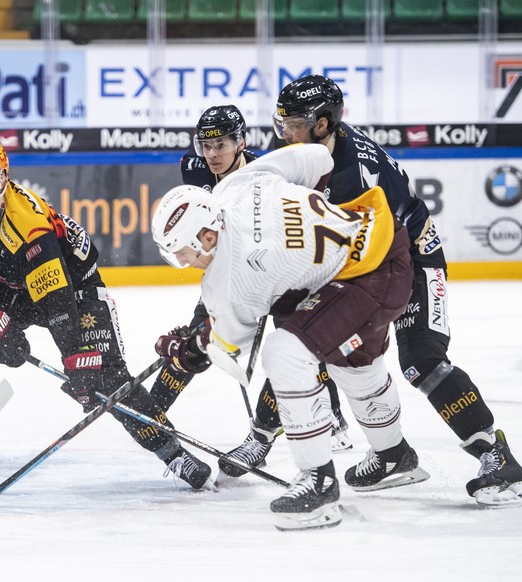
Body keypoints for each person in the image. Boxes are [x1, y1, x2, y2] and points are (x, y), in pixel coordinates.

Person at [269, 74, 522, 507]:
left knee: (422, 360)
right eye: (282, 123)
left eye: (293, 124)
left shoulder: (354, 178)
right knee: (353, 356)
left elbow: (355, 253)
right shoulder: (313, 150)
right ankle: (394, 458)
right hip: (372, 260)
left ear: (324, 124)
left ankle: (497, 456)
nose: (284, 134)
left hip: (411, 262)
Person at [151, 143, 428, 530]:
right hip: (379, 233)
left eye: (182, 251)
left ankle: (319, 482)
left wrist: (189, 348)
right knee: (352, 362)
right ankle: (394, 455)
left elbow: (231, 355)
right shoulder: (237, 185)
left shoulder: (228, 280)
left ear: (207, 236)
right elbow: (317, 158)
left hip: (368, 280)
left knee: (285, 353)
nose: (182, 262)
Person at [0, 138, 212, 490]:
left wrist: (76, 360)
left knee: (106, 379)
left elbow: (57, 303)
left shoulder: (29, 224)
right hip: (12, 286)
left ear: (0, 179)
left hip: (76, 291)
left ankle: (174, 454)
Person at [150, 105, 352, 485]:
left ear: (241, 141)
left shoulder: (264, 169)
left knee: (292, 345)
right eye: (205, 145)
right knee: (197, 336)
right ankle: (154, 409)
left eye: (221, 145)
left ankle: (263, 436)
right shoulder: (192, 169)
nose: (211, 154)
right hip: (231, 274)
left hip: (282, 271)